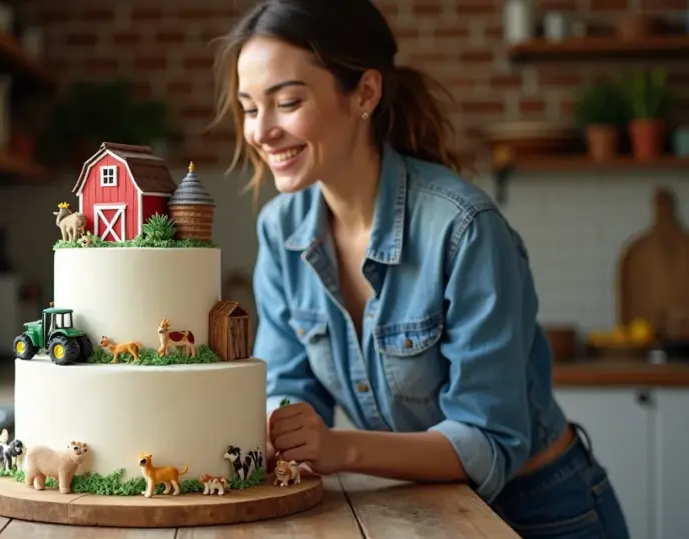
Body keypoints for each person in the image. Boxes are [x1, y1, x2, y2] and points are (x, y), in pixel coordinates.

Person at [212, 1, 630, 537]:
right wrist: (277, 426)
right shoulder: (280, 230)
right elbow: (288, 385)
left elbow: (490, 442)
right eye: (249, 108)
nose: (262, 131)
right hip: (421, 509)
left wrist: (337, 447)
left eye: (287, 102)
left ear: (365, 92)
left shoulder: (462, 227)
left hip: (545, 511)